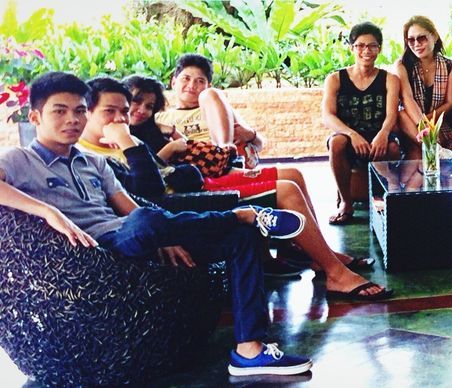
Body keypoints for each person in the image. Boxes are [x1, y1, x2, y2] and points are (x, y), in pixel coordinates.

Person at [0, 71, 312, 376]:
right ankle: (239, 213)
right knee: (146, 221)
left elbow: (129, 207)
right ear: (36, 117)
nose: (72, 119)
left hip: (134, 237)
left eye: (80, 111)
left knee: (241, 239)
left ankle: (250, 350)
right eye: (60, 111)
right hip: (94, 253)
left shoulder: (94, 162)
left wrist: (165, 235)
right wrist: (46, 211)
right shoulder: (18, 160)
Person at [118, 76, 392, 300]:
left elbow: (245, 142)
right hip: (193, 197)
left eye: (148, 105)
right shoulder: (119, 140)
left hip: (208, 177)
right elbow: (150, 185)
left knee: (292, 176)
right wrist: (168, 148)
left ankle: (317, 257)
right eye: (134, 103)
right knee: (286, 190)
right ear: (174, 81)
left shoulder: (152, 129)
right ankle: (334, 272)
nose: (140, 110)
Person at [153, 54, 319, 213]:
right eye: (186, 78)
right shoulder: (161, 117)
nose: (192, 85)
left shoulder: (215, 105)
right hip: (191, 169)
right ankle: (222, 153)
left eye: (200, 81)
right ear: (173, 82)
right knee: (288, 183)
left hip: (225, 164)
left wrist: (250, 135)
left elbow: (259, 145)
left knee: (294, 175)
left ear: (208, 85)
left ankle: (223, 150)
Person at [321, 22, 404, 224]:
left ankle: (386, 201)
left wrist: (383, 134)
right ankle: (346, 204)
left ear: (379, 49)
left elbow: (392, 114)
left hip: (379, 134)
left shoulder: (390, 79)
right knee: (336, 143)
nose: (366, 51)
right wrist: (352, 134)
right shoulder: (335, 79)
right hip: (349, 136)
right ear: (352, 48)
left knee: (392, 148)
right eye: (360, 45)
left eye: (372, 46)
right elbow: (328, 115)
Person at [393, 15, 452, 161]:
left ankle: (432, 147)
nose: (416, 44)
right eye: (411, 40)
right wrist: (424, 125)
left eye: (421, 38)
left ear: (434, 36)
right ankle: (433, 148)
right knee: (402, 114)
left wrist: (429, 123)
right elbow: (407, 98)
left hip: (437, 121)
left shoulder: (448, 66)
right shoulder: (402, 65)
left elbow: (449, 103)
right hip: (410, 123)